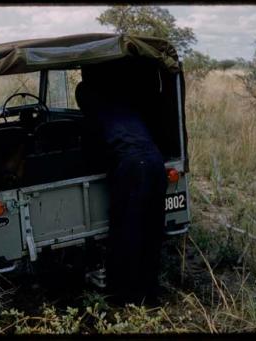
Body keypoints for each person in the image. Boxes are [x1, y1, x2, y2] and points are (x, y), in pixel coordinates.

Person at [76, 58, 167, 306]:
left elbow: (91, 157)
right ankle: (151, 295)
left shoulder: (94, 116)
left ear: (84, 101)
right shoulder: (123, 109)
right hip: (156, 162)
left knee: (126, 231)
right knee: (152, 229)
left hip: (132, 166)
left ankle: (123, 297)